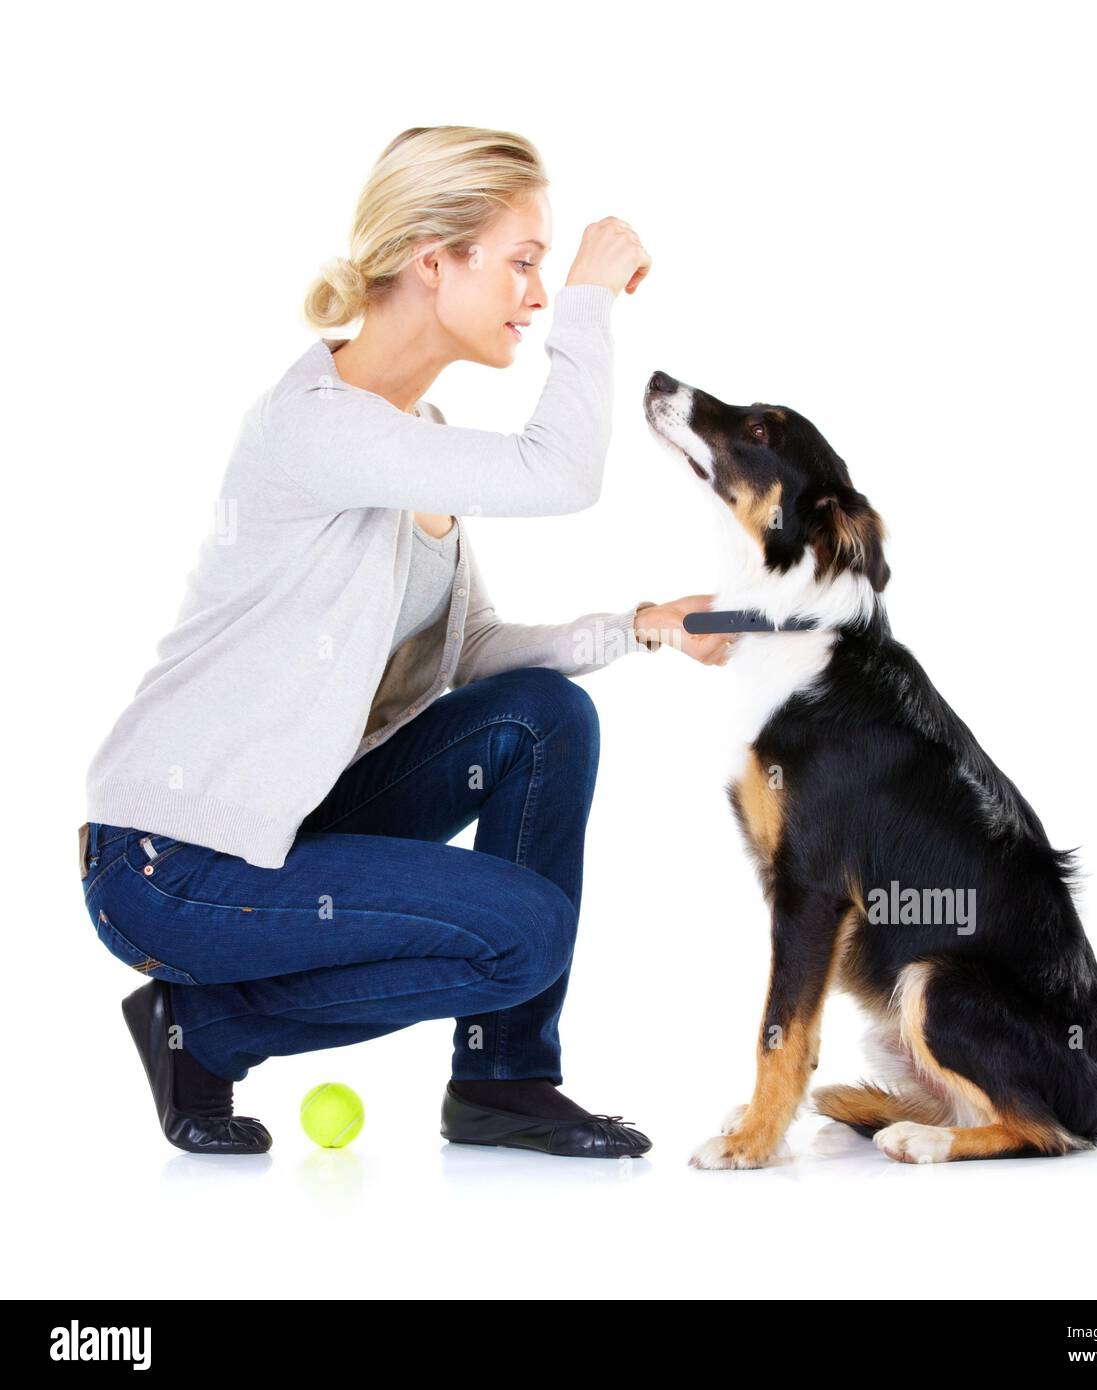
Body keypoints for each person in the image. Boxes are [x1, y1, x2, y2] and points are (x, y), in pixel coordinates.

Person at [79, 125, 738, 1160]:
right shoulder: (315, 424)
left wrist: (644, 626)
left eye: (541, 270)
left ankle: (502, 1084)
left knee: (544, 714)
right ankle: (198, 1029)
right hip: (171, 864)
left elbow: (470, 652)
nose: (534, 290)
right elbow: (559, 475)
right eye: (521, 261)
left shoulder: (414, 436)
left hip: (290, 825)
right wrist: (589, 302)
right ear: (435, 261)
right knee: (522, 931)